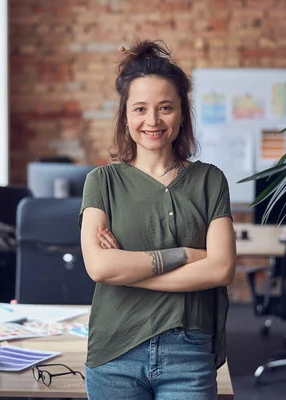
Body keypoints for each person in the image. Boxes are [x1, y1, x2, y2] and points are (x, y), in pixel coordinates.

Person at [79, 39, 236, 400]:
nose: (152, 121)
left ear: (182, 113)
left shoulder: (210, 180)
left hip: (188, 351)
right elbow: (101, 268)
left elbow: (221, 270)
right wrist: (186, 254)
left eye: (165, 107)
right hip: (114, 352)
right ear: (126, 115)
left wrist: (129, 274)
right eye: (140, 109)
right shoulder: (101, 182)